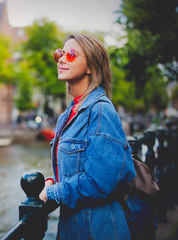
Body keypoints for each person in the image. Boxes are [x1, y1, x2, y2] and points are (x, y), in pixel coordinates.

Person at [39, 33, 137, 239]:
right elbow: (72, 169)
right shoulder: (67, 115)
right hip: (72, 229)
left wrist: (54, 193)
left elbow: (100, 182)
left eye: (72, 54)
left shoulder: (101, 111)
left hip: (98, 230)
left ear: (91, 66)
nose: (62, 59)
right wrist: (51, 182)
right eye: (60, 54)